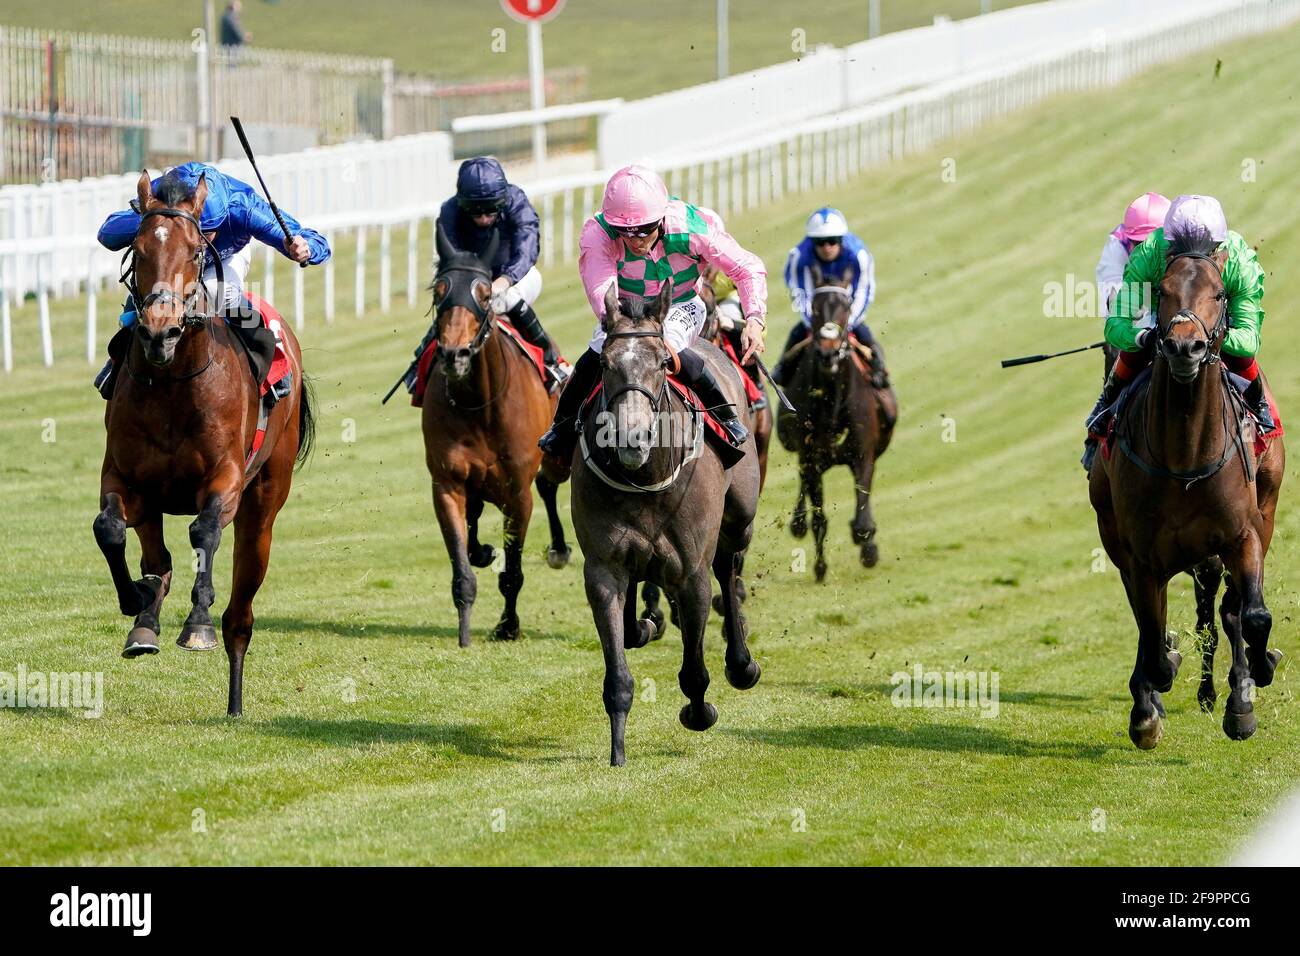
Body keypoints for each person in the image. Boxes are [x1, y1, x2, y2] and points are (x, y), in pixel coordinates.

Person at [537, 164, 767, 459]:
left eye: (644, 230)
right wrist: (617, 324)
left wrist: (754, 320)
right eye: (625, 232)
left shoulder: (690, 227)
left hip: (680, 303)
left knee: (666, 342)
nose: (635, 240)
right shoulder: (598, 233)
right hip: (622, 309)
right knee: (600, 350)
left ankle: (726, 417)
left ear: (660, 217)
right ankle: (562, 425)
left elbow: (747, 268)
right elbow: (601, 291)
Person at [94, 161, 331, 400]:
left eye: (207, 232)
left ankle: (271, 361)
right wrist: (156, 223)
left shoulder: (244, 207)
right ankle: (117, 363)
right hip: (174, 255)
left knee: (217, 293)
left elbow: (316, 240)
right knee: (149, 293)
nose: (201, 238)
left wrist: (306, 248)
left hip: (226, 257)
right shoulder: (163, 192)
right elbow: (107, 232)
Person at [1081, 194, 1272, 471]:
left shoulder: (1238, 261)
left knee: (1240, 358)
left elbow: (1249, 339)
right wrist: (1142, 336)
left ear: (1221, 251)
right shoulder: (1149, 253)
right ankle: (1105, 406)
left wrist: (1213, 337)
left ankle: (1265, 416)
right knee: (1131, 350)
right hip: (1167, 317)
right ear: (1167, 247)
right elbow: (1116, 325)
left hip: (1215, 321)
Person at [406, 156, 567, 390]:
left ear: (502, 200)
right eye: (475, 212)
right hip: (470, 278)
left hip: (517, 276)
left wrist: (504, 280)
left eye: (490, 211)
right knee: (454, 308)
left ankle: (551, 360)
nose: (483, 218)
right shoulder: (450, 210)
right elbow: (449, 258)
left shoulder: (516, 202)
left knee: (506, 300)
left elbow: (527, 248)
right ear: (462, 204)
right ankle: (419, 365)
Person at [773, 206, 888, 388]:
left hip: (845, 308)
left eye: (832, 241)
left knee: (865, 334)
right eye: (820, 242)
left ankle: (880, 374)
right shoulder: (799, 257)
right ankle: (782, 371)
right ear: (812, 242)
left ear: (841, 239)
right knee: (796, 334)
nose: (827, 247)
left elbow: (864, 292)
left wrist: (845, 324)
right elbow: (799, 293)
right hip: (817, 307)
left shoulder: (858, 255)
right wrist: (816, 323)